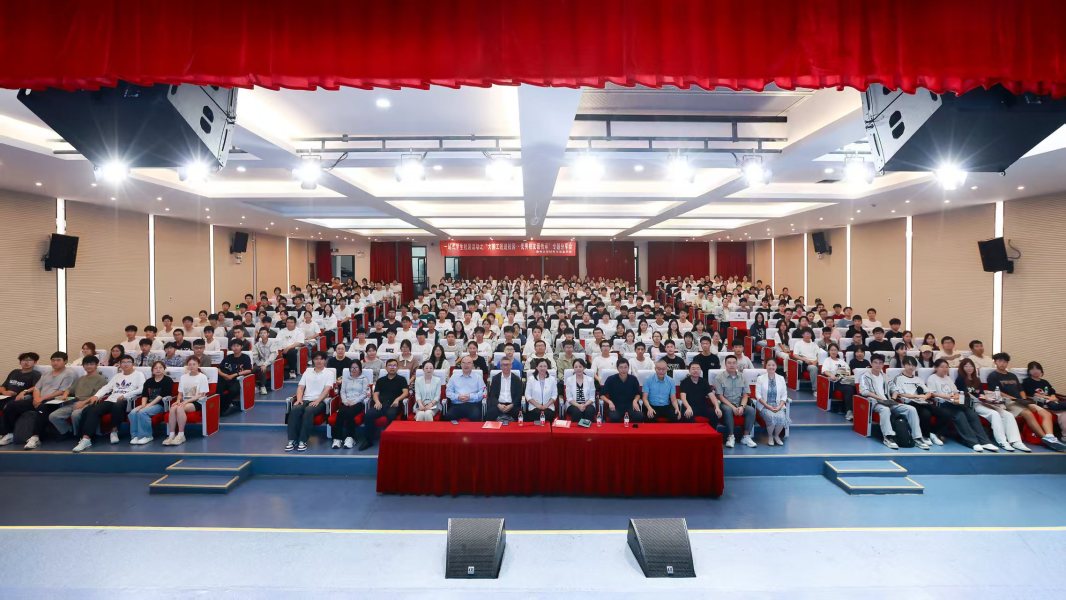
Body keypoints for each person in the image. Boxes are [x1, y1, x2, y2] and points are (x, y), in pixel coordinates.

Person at [987, 352, 1065, 451]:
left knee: (1046, 413)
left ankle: (1050, 436)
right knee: (1028, 413)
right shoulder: (993, 376)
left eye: (1005, 361)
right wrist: (1015, 399)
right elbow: (998, 392)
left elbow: (1021, 390)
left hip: (1022, 400)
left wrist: (1024, 400)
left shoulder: (1012, 375)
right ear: (995, 362)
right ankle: (1045, 438)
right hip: (1009, 401)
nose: (1002, 363)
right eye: (1000, 361)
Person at [73, 355, 145, 452]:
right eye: (123, 362)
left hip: (126, 400)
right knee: (92, 409)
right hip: (111, 399)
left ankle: (114, 431)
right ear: (120, 364)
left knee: (118, 404)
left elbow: (142, 389)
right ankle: (86, 439)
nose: (126, 364)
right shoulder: (117, 376)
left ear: (133, 364)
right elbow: (107, 387)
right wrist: (97, 396)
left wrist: (125, 395)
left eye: (128, 362)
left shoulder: (139, 374)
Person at [956, 357, 1028, 452]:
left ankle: (1016, 441)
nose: (969, 368)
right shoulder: (960, 379)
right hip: (973, 404)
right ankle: (1002, 442)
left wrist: (988, 399)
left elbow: (981, 393)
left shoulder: (976, 379)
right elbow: (963, 394)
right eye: (966, 366)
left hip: (983, 402)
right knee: (994, 414)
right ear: (962, 368)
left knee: (1008, 415)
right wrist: (981, 398)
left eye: (971, 366)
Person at [7, 352, 76, 450]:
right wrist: (36, 399)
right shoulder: (47, 373)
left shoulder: (69, 373)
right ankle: (9, 433)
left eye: (58, 360)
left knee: (41, 408)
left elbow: (62, 391)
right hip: (38, 399)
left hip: (54, 401)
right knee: (12, 405)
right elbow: (37, 388)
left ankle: (35, 437)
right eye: (53, 360)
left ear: (65, 361)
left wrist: (41, 399)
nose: (55, 363)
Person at [926, 358, 997, 452]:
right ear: (936, 368)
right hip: (943, 404)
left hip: (954, 402)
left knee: (972, 414)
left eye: (946, 367)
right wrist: (948, 397)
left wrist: (956, 397)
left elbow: (956, 391)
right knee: (960, 415)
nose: (945, 369)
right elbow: (932, 394)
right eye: (942, 367)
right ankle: (972, 442)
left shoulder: (948, 378)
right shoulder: (932, 378)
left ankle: (985, 441)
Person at [859, 355, 926, 450]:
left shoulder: (885, 376)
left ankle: (917, 437)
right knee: (885, 409)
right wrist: (881, 399)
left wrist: (893, 399)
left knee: (911, 409)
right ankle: (888, 437)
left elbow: (895, 389)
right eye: (875, 362)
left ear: (883, 364)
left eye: (880, 363)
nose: (878, 365)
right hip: (875, 403)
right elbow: (864, 391)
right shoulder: (865, 376)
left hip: (889, 402)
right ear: (871, 363)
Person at [891, 356, 949, 447]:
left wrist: (926, 396)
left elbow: (928, 392)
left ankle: (933, 433)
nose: (911, 367)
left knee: (945, 413)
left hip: (922, 402)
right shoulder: (899, 378)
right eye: (909, 365)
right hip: (909, 402)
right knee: (926, 414)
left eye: (913, 365)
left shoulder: (918, 379)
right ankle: (925, 436)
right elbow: (900, 394)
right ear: (904, 365)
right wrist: (918, 396)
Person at [285, 351, 334, 452]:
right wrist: (299, 399)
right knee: (295, 409)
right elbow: (300, 387)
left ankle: (303, 440)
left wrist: (318, 400)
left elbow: (327, 390)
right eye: (316, 359)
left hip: (320, 401)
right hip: (305, 399)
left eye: (321, 359)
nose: (319, 361)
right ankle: (292, 440)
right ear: (313, 361)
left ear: (325, 360)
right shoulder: (307, 372)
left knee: (309, 410)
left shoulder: (329, 373)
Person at [47, 356, 106, 440]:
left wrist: (83, 403)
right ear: (83, 366)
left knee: (76, 414)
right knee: (53, 416)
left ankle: (79, 435)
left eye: (91, 364)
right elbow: (69, 389)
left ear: (96, 365)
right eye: (86, 364)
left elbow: (97, 396)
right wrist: (65, 395)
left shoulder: (101, 379)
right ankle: (67, 431)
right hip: (74, 402)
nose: (89, 366)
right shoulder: (81, 378)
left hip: (89, 403)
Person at [161, 355, 208, 447]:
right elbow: (180, 393)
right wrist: (178, 400)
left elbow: (201, 395)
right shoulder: (183, 377)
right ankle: (171, 435)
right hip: (184, 401)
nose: (192, 366)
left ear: (198, 365)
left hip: (197, 402)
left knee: (179, 408)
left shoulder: (202, 377)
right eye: (190, 364)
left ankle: (181, 435)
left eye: (194, 364)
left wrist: (185, 402)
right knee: (173, 408)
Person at [0, 352, 44, 444]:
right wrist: (5, 392)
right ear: (20, 362)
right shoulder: (14, 372)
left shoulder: (36, 374)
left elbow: (37, 387)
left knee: (9, 406)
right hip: (7, 396)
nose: (26, 362)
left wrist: (24, 391)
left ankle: (9, 433)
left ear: (35, 362)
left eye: (29, 360)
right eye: (24, 360)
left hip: (23, 398)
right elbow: (3, 386)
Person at [715, 355, 756, 448]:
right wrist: (733, 407)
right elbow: (720, 396)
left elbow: (745, 395)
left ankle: (746, 436)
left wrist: (742, 406)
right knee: (728, 409)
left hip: (739, 403)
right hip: (725, 404)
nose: (732, 365)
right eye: (729, 363)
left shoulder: (743, 377)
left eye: (734, 363)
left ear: (737, 365)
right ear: (725, 364)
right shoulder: (719, 378)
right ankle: (731, 436)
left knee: (751, 410)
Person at [129, 361, 172, 445]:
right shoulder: (148, 381)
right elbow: (144, 395)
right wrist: (143, 405)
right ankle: (135, 436)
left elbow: (161, 396)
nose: (158, 369)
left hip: (160, 405)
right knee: (133, 412)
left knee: (142, 412)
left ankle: (147, 436)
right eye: (155, 368)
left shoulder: (167, 380)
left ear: (164, 369)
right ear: (152, 370)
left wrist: (147, 406)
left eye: (160, 367)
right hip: (148, 404)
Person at [1023, 362, 1066, 444]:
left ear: (1041, 370)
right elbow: (1032, 393)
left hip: (1052, 403)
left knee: (1064, 413)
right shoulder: (1027, 382)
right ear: (1029, 371)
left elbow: (1052, 391)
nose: (1035, 371)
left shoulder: (1045, 382)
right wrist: (1048, 398)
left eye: (1037, 369)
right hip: (1040, 404)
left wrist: (1053, 396)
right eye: (1032, 369)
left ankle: (1064, 437)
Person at [333, 361, 370, 449]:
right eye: (352, 367)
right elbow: (342, 392)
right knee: (340, 413)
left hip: (358, 403)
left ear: (360, 369)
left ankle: (350, 438)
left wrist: (355, 401)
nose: (354, 369)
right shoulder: (346, 379)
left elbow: (364, 393)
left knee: (349, 413)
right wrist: (345, 401)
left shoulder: (364, 379)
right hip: (346, 402)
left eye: (356, 367)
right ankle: (337, 438)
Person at [755, 359, 790, 446]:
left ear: (776, 367)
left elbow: (784, 395)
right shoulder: (760, 378)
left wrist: (779, 406)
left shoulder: (781, 378)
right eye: (769, 365)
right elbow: (758, 395)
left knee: (782, 418)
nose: (771, 367)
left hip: (778, 405)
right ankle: (770, 436)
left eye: (773, 365)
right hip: (764, 405)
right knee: (771, 417)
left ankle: (776, 436)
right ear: (766, 366)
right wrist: (768, 406)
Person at [445, 356, 486, 424]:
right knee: (448, 416)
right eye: (463, 363)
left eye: (469, 363)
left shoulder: (478, 377)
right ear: (461, 365)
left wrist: (470, 396)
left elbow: (483, 392)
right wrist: (458, 397)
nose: (466, 365)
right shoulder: (454, 377)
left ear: (472, 365)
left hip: (473, 404)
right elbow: (448, 392)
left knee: (475, 416)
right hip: (457, 404)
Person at [821, 343, 855, 420]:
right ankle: (849, 412)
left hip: (844, 379)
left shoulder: (842, 361)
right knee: (849, 389)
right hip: (835, 382)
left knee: (854, 387)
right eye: (832, 350)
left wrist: (841, 373)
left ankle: (853, 410)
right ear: (829, 351)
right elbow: (825, 371)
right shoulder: (827, 360)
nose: (833, 352)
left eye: (835, 350)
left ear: (838, 351)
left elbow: (848, 371)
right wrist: (832, 375)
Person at [678, 361, 716, 426]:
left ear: (700, 370)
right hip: (689, 406)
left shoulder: (704, 381)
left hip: (703, 406)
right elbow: (683, 398)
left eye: (698, 368)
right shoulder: (684, 382)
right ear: (689, 371)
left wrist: (717, 407)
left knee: (714, 414)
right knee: (688, 415)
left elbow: (711, 395)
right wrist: (688, 407)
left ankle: (711, 432)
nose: (696, 370)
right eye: (693, 369)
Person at [486, 356, 523, 421]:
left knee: (521, 417)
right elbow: (492, 395)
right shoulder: (495, 378)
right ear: (500, 366)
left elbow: (519, 396)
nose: (506, 367)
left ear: (511, 366)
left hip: (512, 405)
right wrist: (498, 405)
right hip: (498, 405)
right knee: (488, 415)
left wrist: (511, 405)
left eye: (507, 365)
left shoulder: (516, 379)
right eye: (503, 365)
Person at [524, 358, 558, 423]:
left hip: (548, 407)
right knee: (536, 414)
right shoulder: (531, 379)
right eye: (540, 366)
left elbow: (554, 395)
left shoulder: (552, 379)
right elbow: (527, 395)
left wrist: (546, 405)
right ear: (537, 367)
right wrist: (538, 405)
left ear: (547, 367)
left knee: (547, 414)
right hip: (534, 407)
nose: (543, 368)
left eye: (545, 366)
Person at [252, 328, 276, 395]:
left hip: (271, 364)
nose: (263, 334)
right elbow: (255, 356)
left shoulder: (272, 343)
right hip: (260, 363)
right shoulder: (257, 345)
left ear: (268, 334)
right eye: (261, 333)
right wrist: (260, 364)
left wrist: (265, 364)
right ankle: (254, 386)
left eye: (264, 333)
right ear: (259, 335)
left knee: (262, 369)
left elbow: (272, 356)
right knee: (250, 370)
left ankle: (262, 386)